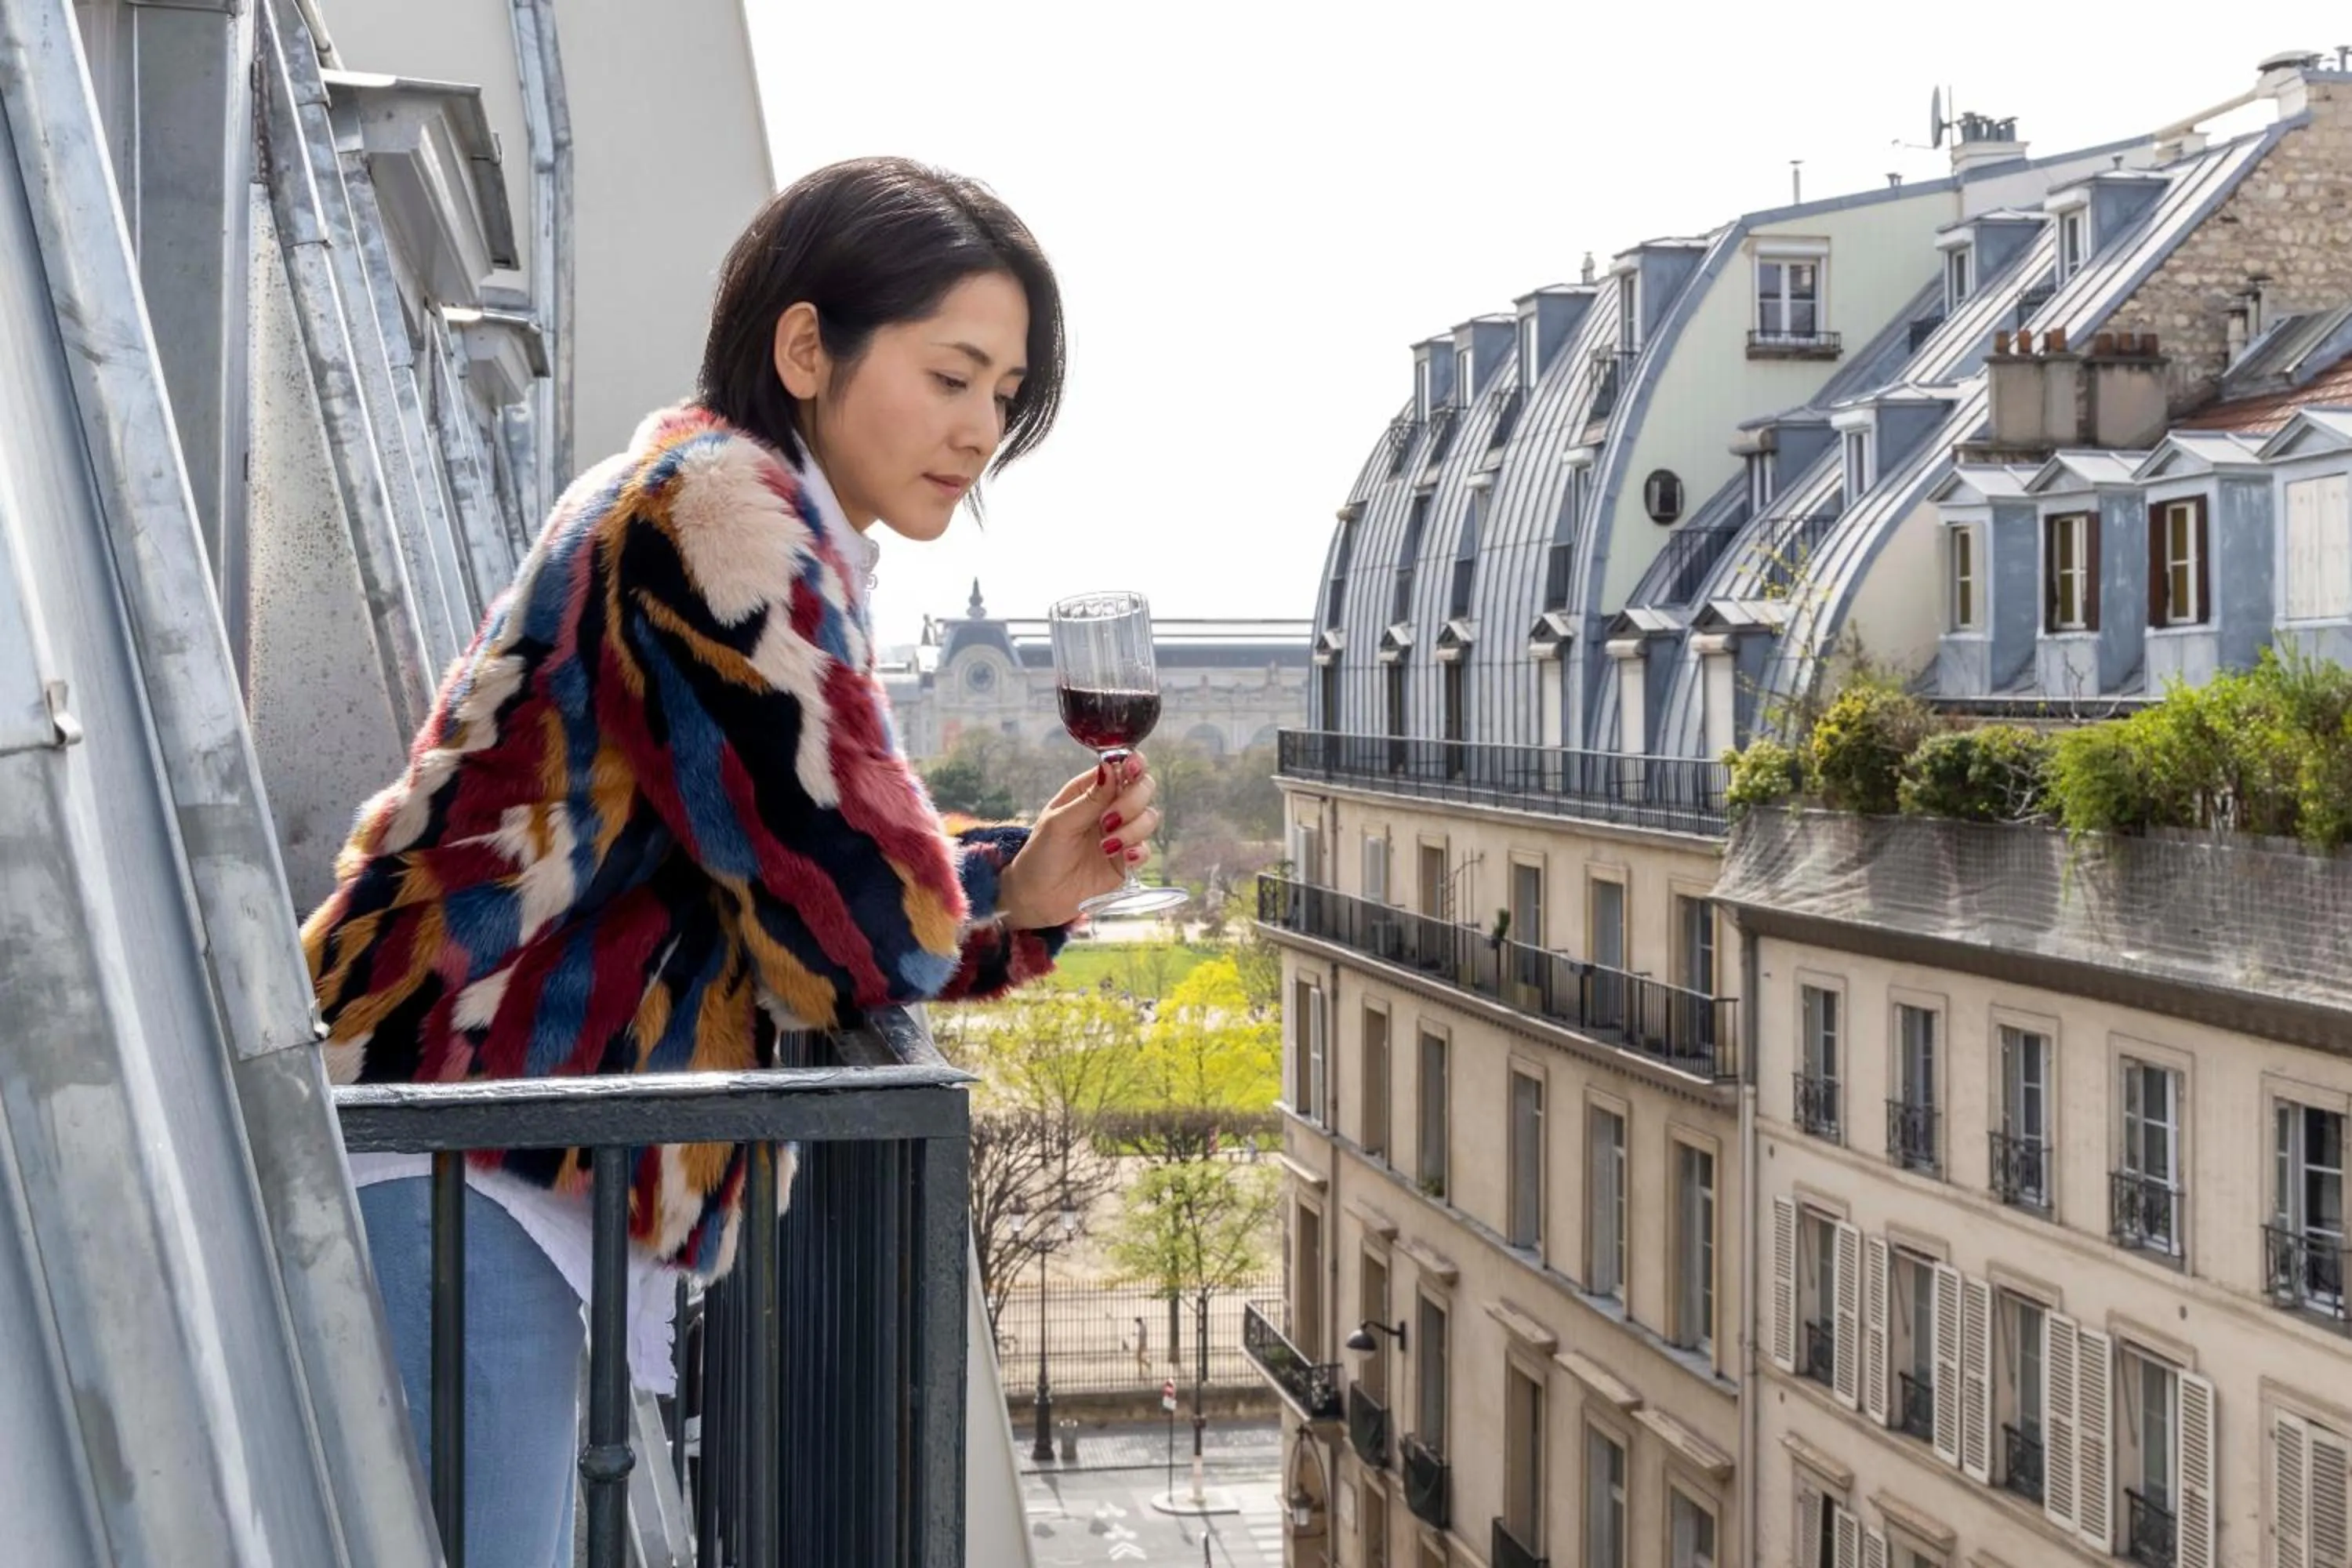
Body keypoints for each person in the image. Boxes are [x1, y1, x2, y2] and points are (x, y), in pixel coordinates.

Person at [302, 156, 1155, 1564]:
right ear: (808, 348)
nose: (980, 431)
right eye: (952, 376)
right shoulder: (718, 519)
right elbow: (849, 921)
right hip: (466, 1156)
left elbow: (785, 851)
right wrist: (992, 895)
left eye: (1006, 395)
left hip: (481, 1141)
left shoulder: (710, 495)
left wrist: (1010, 890)